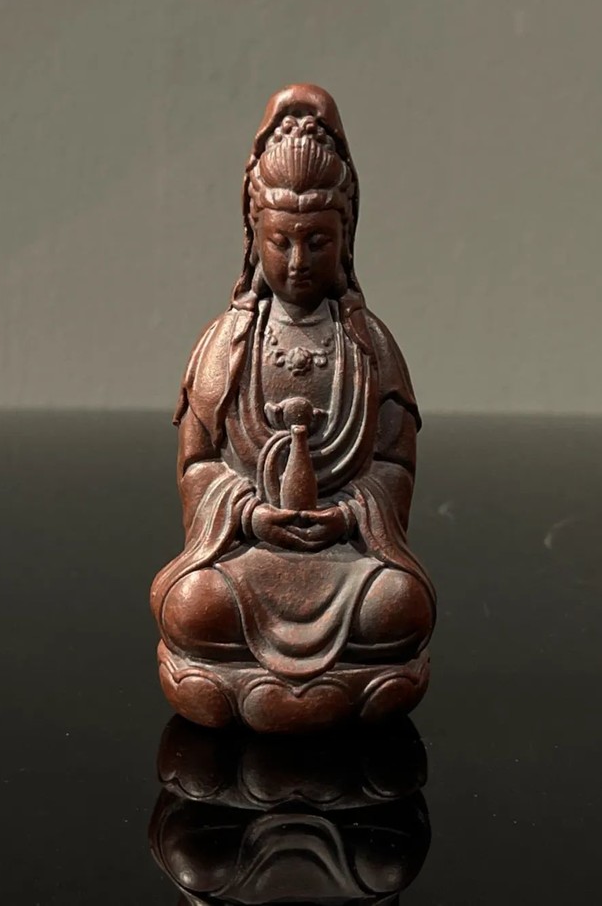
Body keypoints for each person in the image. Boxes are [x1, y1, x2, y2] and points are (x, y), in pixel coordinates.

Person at [150, 84, 436, 731]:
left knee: (398, 604)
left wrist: (347, 516)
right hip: (250, 557)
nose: (299, 261)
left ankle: (261, 689)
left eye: (317, 241)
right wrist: (250, 512)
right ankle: (303, 687)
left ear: (346, 240)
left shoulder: (369, 345)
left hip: (343, 562)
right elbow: (198, 468)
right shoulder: (226, 344)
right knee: (194, 604)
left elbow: (394, 466)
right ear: (254, 237)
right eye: (282, 241)